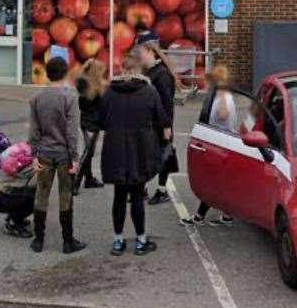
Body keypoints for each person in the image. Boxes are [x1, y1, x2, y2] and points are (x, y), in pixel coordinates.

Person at [99, 52, 164, 255]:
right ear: (139, 70)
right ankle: (141, 240)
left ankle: (118, 241)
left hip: (115, 149)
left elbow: (101, 120)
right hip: (140, 148)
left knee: (119, 196)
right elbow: (160, 118)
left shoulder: (110, 92)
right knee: (137, 196)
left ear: (122, 69)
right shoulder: (149, 92)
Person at [26, 55, 86, 254]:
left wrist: (33, 155)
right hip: (63, 155)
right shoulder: (70, 97)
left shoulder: (36, 98)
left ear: (47, 74)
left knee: (41, 195)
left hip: (43, 153)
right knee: (65, 196)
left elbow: (33, 131)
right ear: (65, 73)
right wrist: (75, 158)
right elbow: (71, 131)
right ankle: (68, 241)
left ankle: (39, 239)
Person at [182, 64, 237, 227]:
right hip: (221, 142)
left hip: (220, 143)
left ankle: (200, 216)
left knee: (211, 181)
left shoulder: (223, 96)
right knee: (218, 182)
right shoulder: (223, 94)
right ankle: (226, 214)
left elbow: (223, 114)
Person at [136, 32, 178, 205]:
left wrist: (167, 126)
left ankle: (161, 191)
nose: (138, 56)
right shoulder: (151, 71)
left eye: (140, 52)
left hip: (160, 124)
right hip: (149, 122)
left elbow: (167, 102)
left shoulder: (161, 74)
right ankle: (143, 189)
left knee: (163, 156)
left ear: (149, 51)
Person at [74, 58, 106, 194]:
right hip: (90, 123)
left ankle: (89, 179)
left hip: (90, 122)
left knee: (89, 152)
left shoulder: (84, 82)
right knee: (87, 153)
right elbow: (90, 105)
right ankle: (75, 183)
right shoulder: (90, 86)